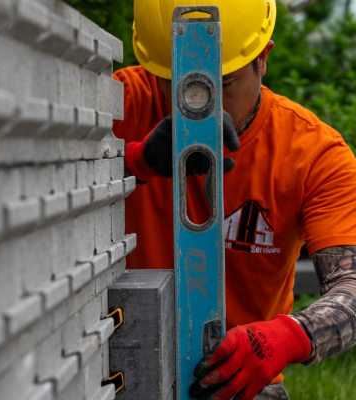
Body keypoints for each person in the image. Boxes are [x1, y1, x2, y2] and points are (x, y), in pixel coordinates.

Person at [113, 1, 356, 399]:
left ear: (263, 59)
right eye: (174, 83)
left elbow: (352, 283)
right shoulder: (119, 105)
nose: (196, 105)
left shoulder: (313, 154)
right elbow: (34, 187)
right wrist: (134, 161)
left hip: (238, 383)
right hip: (124, 371)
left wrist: (289, 336)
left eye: (221, 84)